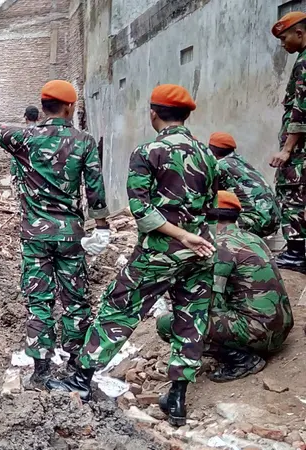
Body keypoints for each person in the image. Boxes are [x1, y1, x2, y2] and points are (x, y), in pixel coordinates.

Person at [46, 85, 218, 428]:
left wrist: (179, 234)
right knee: (191, 319)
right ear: (186, 116)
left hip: (160, 253)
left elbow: (141, 210)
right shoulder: (207, 154)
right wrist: (193, 236)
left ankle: (80, 379)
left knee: (118, 309)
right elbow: (211, 206)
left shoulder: (149, 151)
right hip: (201, 251)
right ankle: (178, 398)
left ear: (153, 113)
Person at [0, 80, 111, 387]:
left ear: (43, 105)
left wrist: (25, 129)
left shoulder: (25, 138)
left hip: (35, 236)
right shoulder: (84, 141)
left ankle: (41, 370)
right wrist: (102, 225)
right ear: (69, 107)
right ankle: (77, 365)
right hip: (71, 235)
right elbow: (95, 189)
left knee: (39, 300)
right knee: (76, 300)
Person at [156, 191, 293, 383]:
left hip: (260, 334)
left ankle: (241, 360)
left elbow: (208, 302)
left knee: (167, 324)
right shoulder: (252, 238)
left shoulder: (219, 246)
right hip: (280, 328)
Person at [271, 12, 306, 270]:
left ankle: (296, 253)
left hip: (300, 151)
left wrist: (286, 150)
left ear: (300, 33)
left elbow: (301, 109)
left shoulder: (303, 64)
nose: (283, 44)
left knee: (291, 192)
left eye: (284, 38)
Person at [211, 132, 280, 238]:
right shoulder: (240, 162)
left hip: (257, 220)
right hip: (274, 219)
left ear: (212, 150)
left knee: (207, 224)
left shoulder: (220, 166)